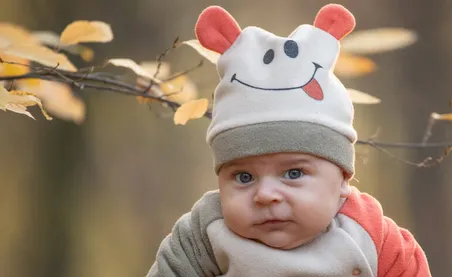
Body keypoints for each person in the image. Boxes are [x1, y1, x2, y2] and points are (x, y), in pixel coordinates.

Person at [146, 3, 432, 277]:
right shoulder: (202, 235)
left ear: (343, 179)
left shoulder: (373, 235)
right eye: (244, 176)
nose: (266, 194)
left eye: (293, 173)